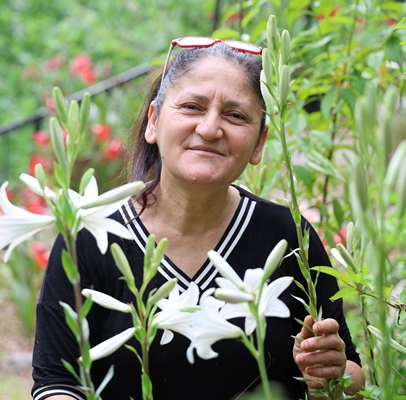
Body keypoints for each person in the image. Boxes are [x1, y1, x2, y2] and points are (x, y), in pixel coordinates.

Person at [31, 37, 364, 399]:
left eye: (236, 115)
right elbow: (56, 383)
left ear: (259, 144)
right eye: (192, 107)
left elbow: (351, 375)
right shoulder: (89, 234)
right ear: (153, 122)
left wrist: (330, 375)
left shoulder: (287, 236)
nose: (209, 129)